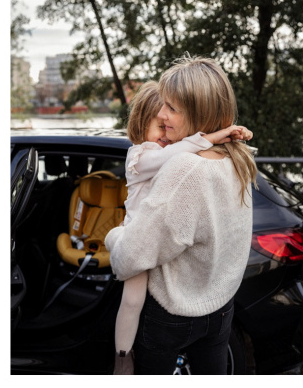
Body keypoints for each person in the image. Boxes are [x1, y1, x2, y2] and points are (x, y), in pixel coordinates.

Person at [105, 55, 258, 375]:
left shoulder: (185, 168)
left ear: (198, 112)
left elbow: (128, 258)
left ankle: (121, 359)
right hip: (220, 306)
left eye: (172, 108)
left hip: (173, 313)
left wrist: (114, 235)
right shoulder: (238, 158)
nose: (162, 114)